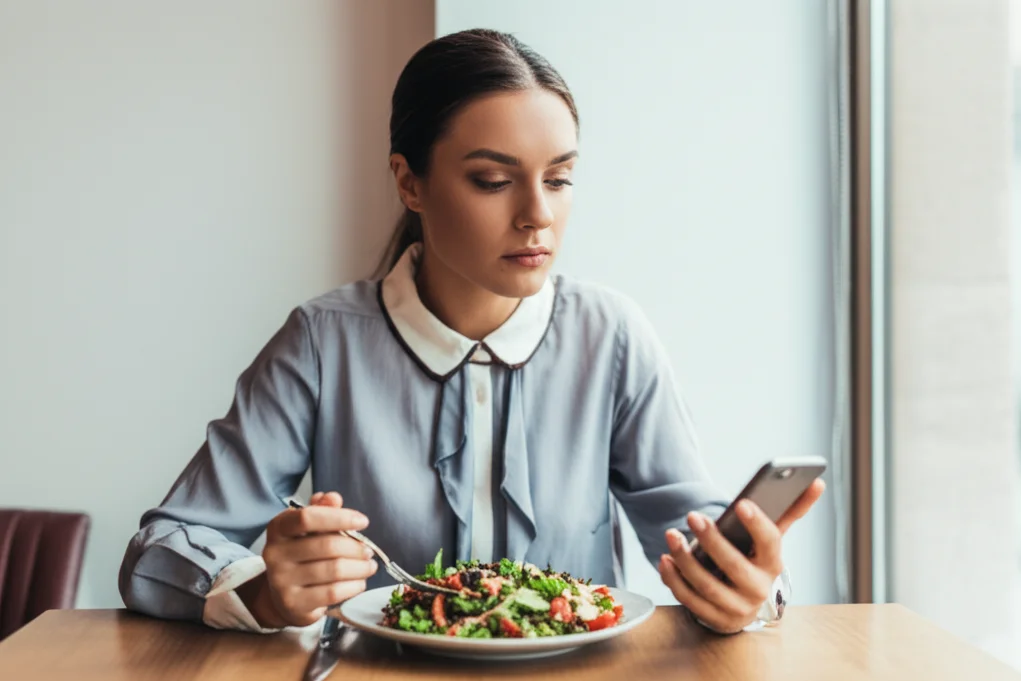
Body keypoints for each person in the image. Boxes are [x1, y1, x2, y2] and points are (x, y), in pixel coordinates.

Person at [119, 28, 824, 636]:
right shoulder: (321, 341)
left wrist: (741, 584)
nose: (537, 216)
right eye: (493, 180)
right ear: (410, 182)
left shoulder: (611, 336)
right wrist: (261, 590)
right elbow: (160, 548)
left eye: (560, 178)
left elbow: (692, 526)